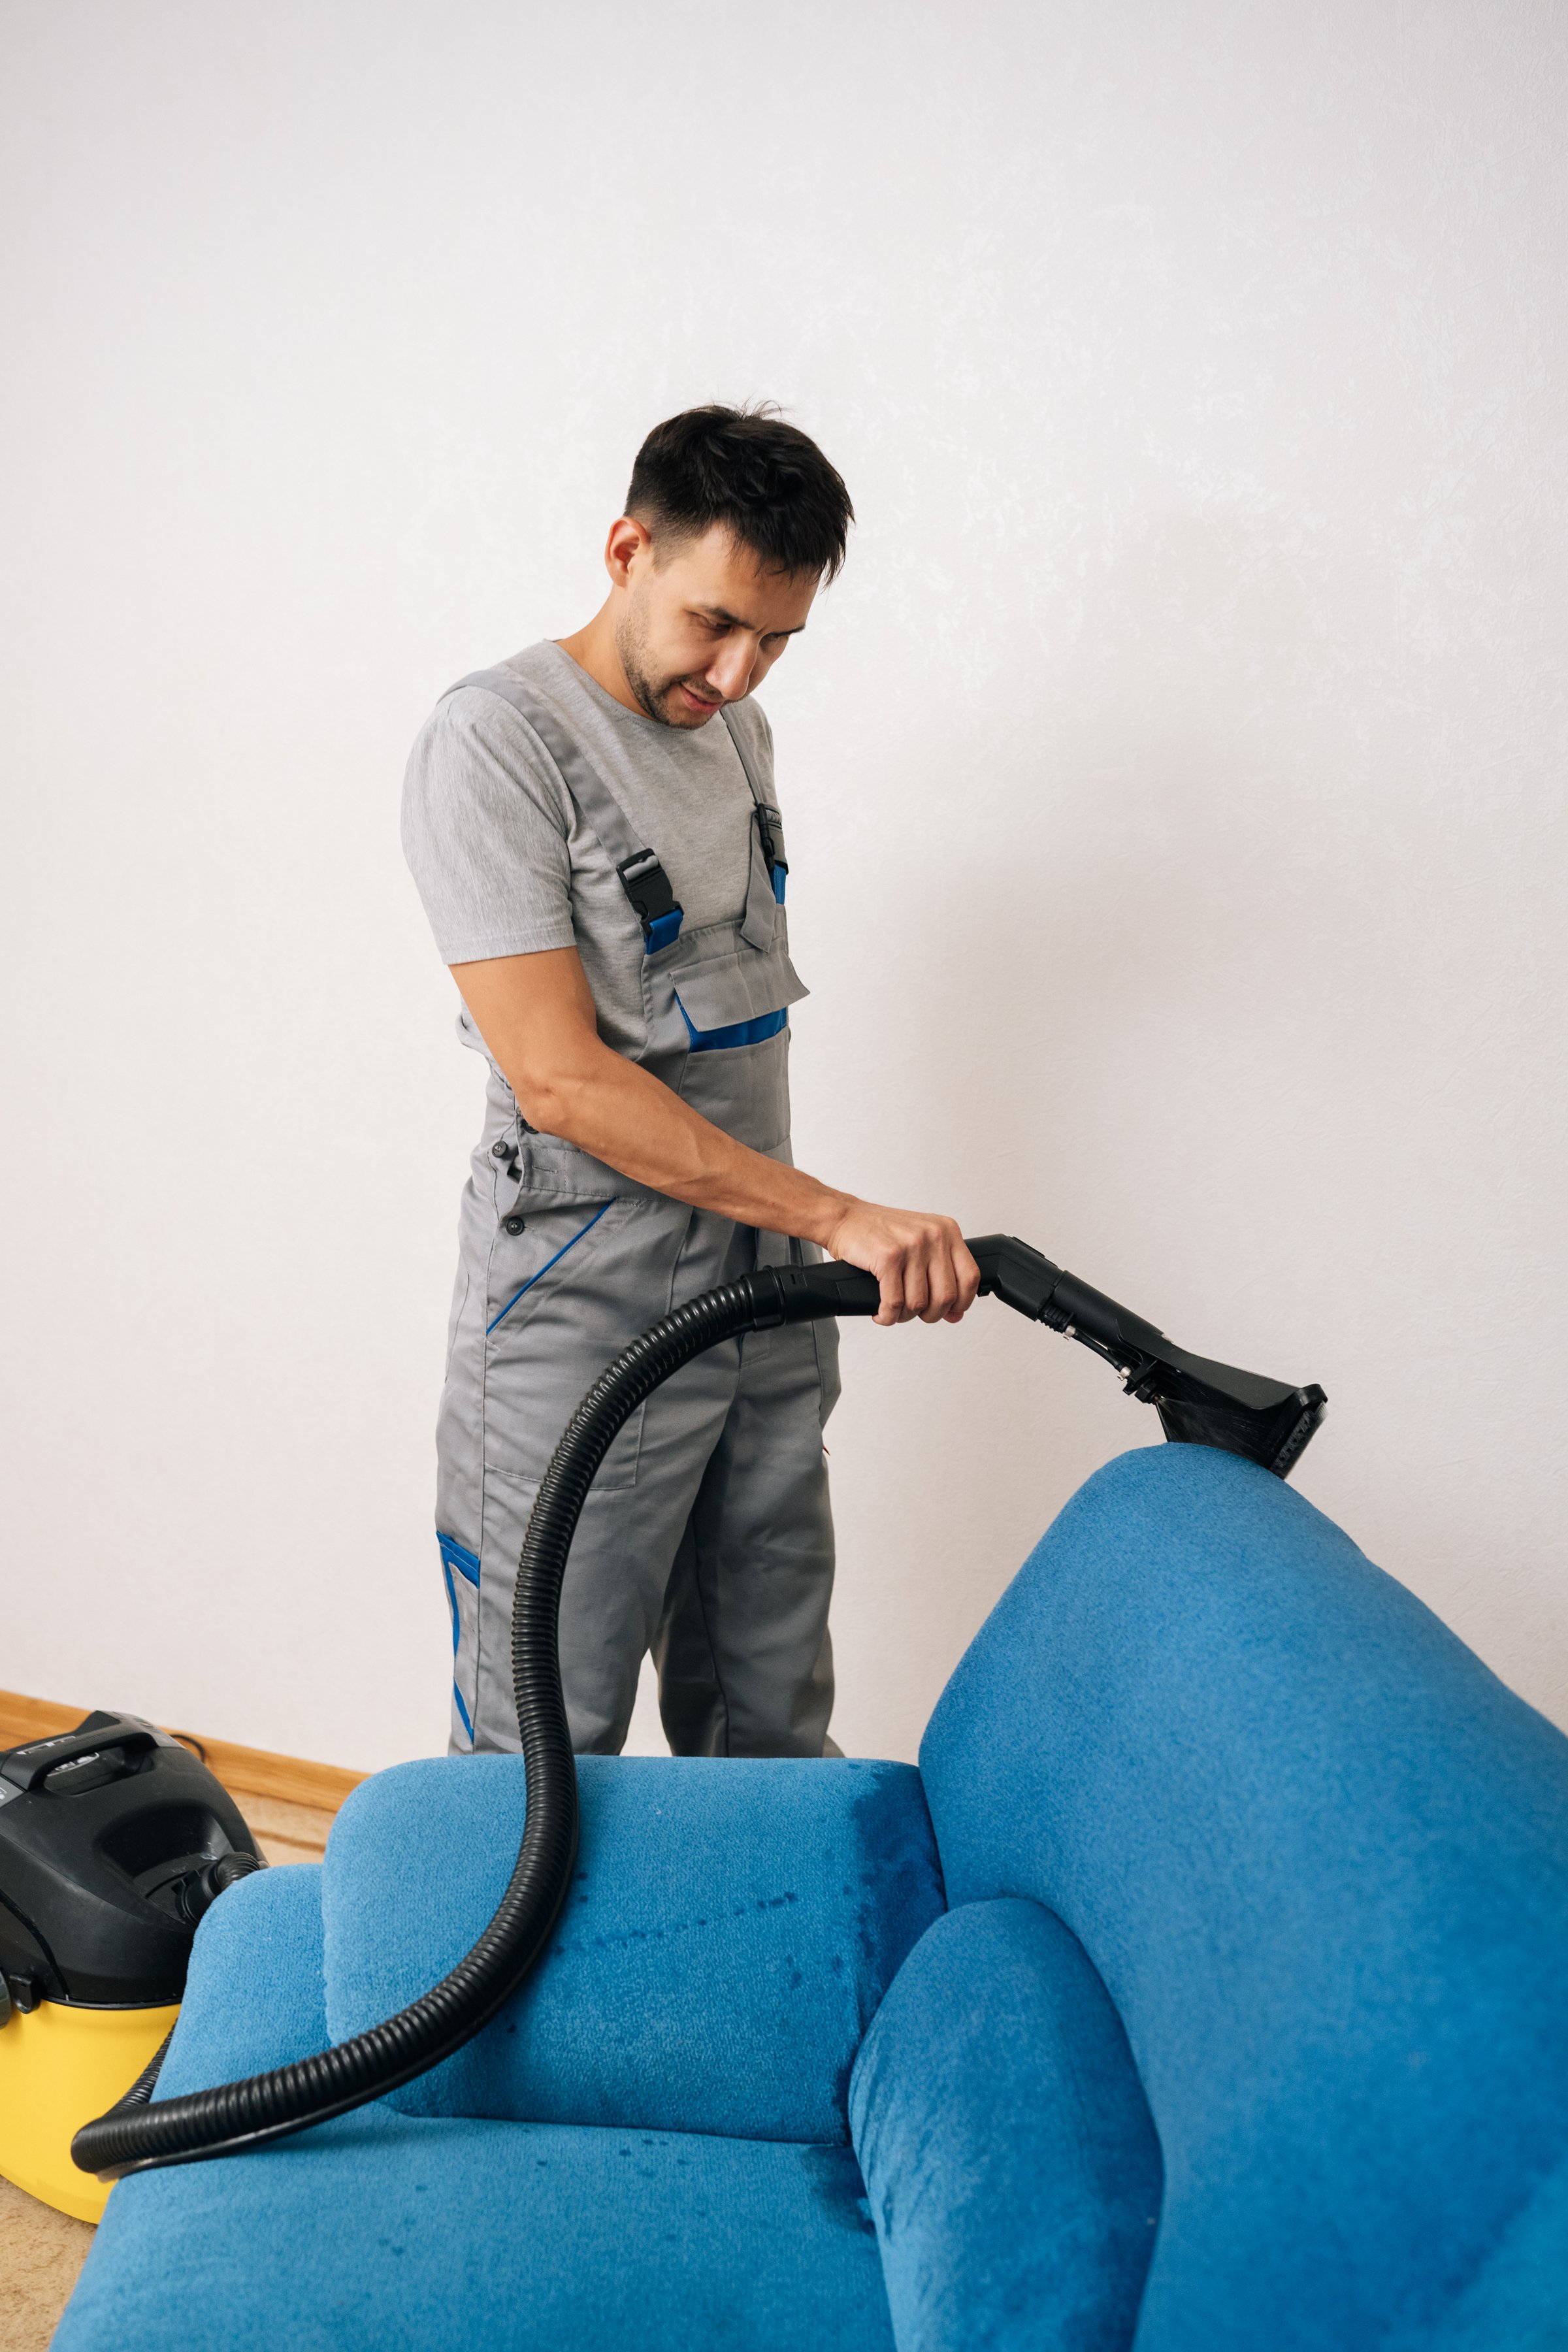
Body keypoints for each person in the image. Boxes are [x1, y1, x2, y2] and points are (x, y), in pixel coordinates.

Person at [402, 403, 978, 1761]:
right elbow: (559, 1078)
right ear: (626, 551)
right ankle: (508, 1980)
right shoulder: (498, 745)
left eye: (777, 641)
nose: (737, 672)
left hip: (762, 1290)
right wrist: (837, 1216)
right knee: (548, 1727)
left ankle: (761, 1970)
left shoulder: (733, 733)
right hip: (583, 1296)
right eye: (715, 621)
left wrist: (799, 1236)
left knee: (771, 1701)